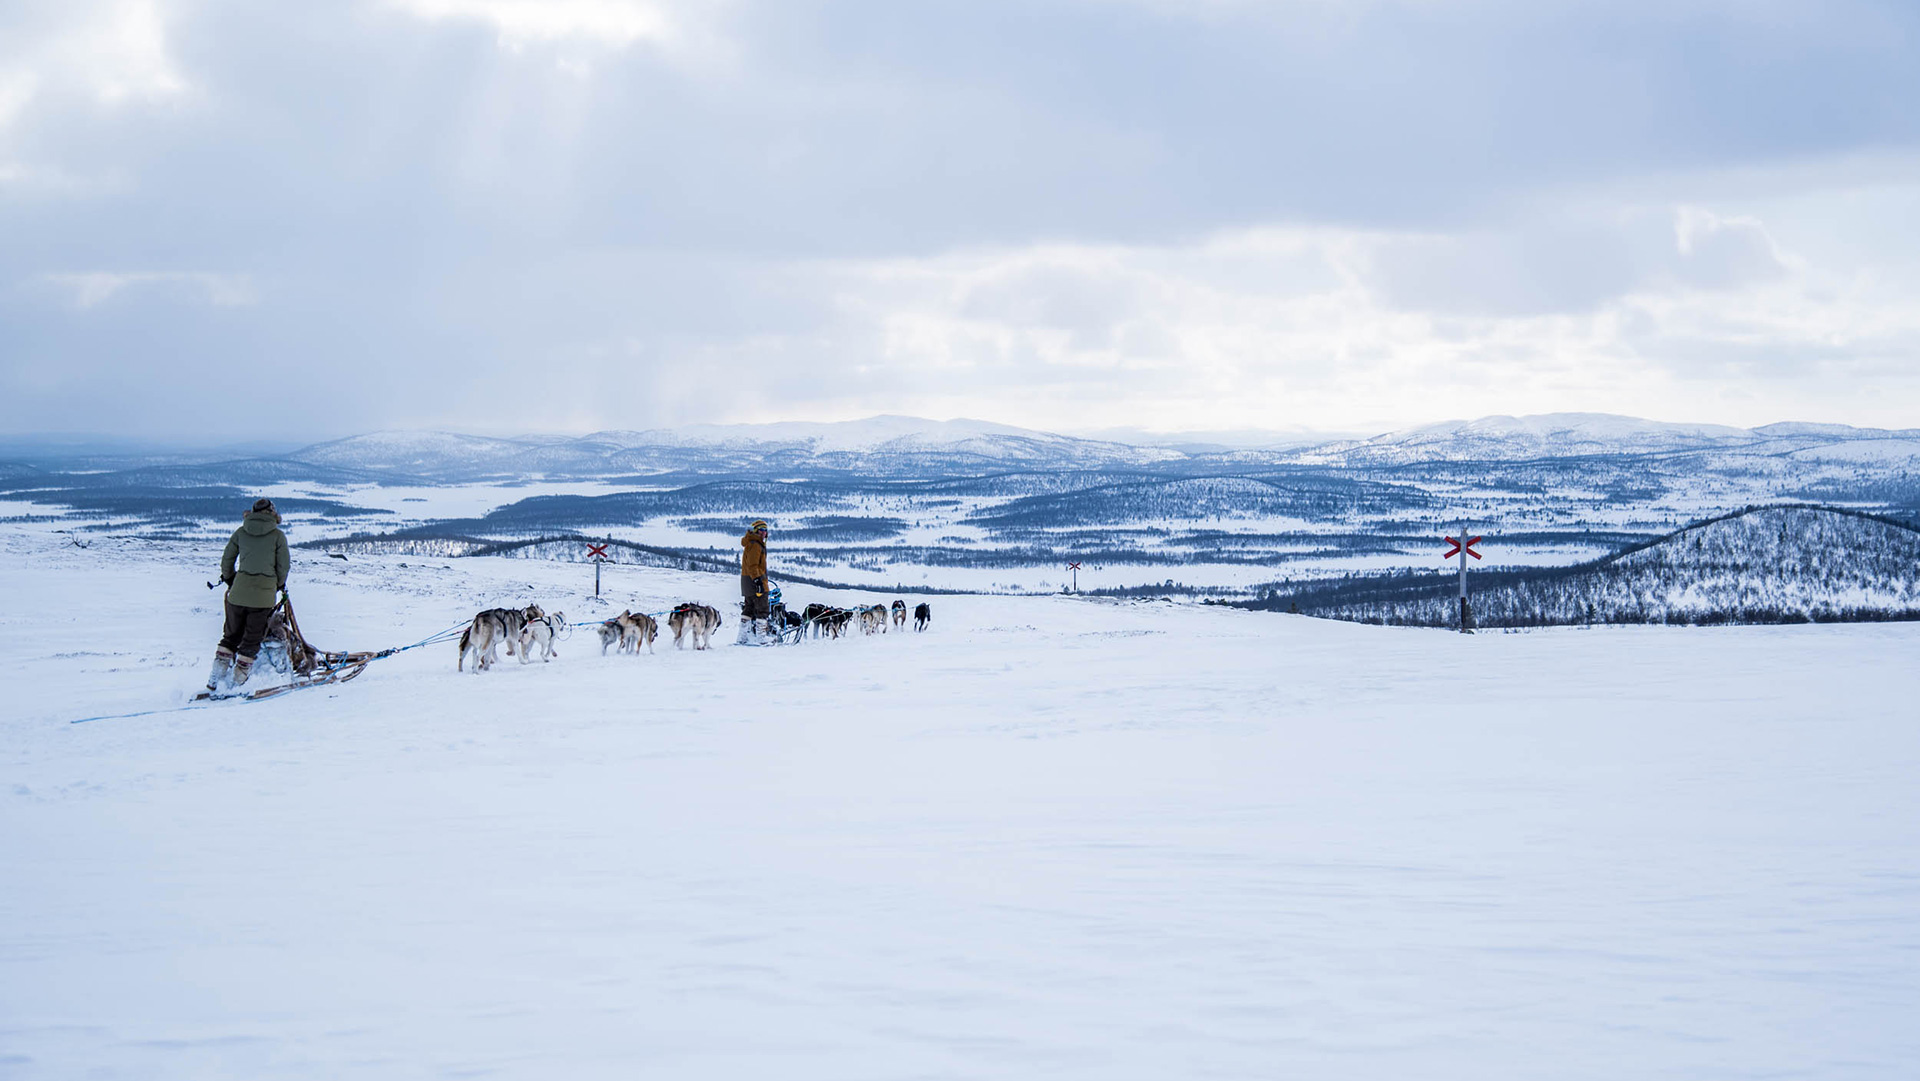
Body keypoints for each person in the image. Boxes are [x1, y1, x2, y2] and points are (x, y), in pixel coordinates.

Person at [207, 498, 290, 690]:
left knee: (230, 636)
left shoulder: (241, 532)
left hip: (237, 594)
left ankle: (215, 679)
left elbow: (227, 560)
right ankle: (238, 682)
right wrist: (275, 585)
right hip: (263, 598)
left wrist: (231, 580)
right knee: (251, 639)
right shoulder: (278, 536)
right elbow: (283, 567)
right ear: (272, 513)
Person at [738, 519, 772, 645]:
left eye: (766, 530)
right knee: (762, 608)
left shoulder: (751, 543)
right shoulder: (756, 545)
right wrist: (758, 581)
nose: (764, 533)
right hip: (755, 581)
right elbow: (753, 565)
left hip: (747, 581)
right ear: (756, 531)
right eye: (762, 530)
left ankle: (742, 637)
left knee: (749, 608)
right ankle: (761, 638)